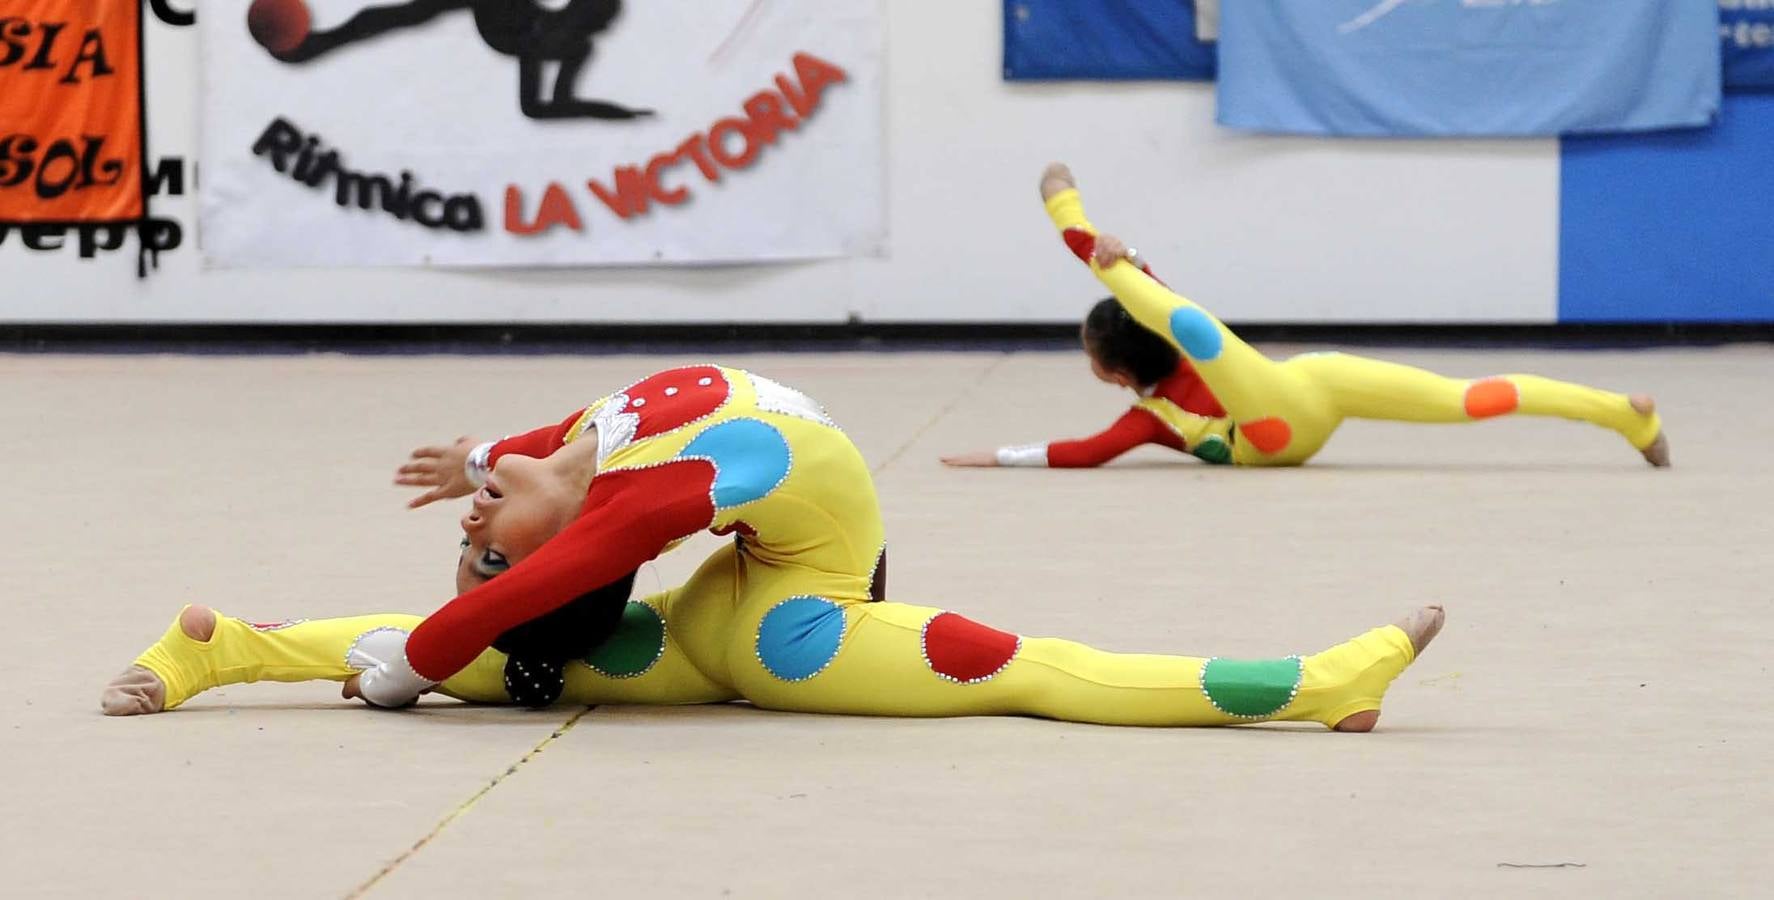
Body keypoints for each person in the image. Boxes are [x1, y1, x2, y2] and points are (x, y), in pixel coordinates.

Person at [103, 364, 1444, 732]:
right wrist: (426, 648)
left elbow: (543, 511)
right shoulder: (619, 479)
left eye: (478, 538)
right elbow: (544, 543)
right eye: (484, 542)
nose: (473, 525)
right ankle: (1313, 684)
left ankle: (231, 650)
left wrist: (478, 484)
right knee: (1031, 668)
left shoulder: (607, 474)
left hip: (749, 608)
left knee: (492, 655)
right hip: (786, 627)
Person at [941, 164, 1669, 470]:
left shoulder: (1152, 418)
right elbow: (1148, 313)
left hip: (1277, 420)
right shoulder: (1157, 387)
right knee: (1466, 398)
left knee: (1188, 322)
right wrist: (1126, 256)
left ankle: (1078, 225)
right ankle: (1624, 416)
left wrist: (999, 457)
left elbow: (1082, 453)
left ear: (1112, 372)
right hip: (1304, 388)